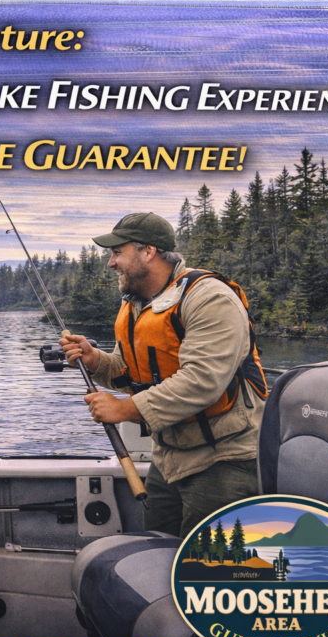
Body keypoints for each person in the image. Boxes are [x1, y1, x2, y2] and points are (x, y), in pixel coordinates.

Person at [60, 213, 268, 538]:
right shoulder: (137, 305)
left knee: (209, 574)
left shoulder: (209, 297)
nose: (111, 263)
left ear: (148, 252)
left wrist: (123, 410)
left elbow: (202, 382)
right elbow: (130, 372)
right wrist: (95, 360)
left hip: (225, 460)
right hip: (169, 460)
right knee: (159, 558)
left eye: (117, 252)